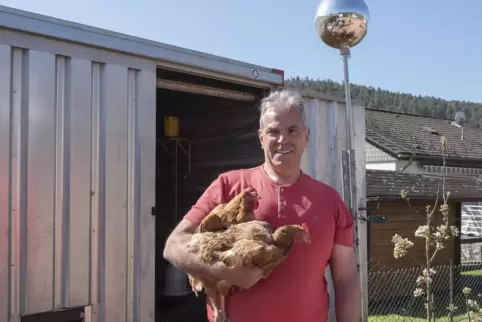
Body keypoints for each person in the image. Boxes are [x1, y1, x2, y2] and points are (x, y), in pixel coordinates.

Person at [163, 89, 360, 322]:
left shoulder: (331, 201)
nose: (282, 140)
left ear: (306, 137)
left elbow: (345, 279)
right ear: (260, 138)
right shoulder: (229, 185)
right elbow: (173, 246)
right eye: (273, 131)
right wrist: (226, 271)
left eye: (292, 131)